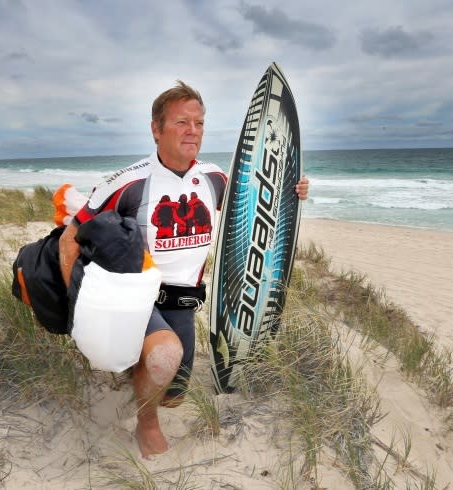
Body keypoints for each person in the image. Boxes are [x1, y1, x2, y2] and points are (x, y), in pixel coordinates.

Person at [58, 80, 309, 458]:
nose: (193, 131)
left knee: (174, 395)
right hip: (136, 296)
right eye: (181, 122)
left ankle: (137, 362)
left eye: (199, 122)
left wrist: (295, 190)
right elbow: (71, 236)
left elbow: (261, 204)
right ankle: (146, 424)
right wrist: (75, 301)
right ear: (156, 129)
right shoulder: (130, 182)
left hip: (183, 302)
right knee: (164, 356)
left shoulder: (214, 178)